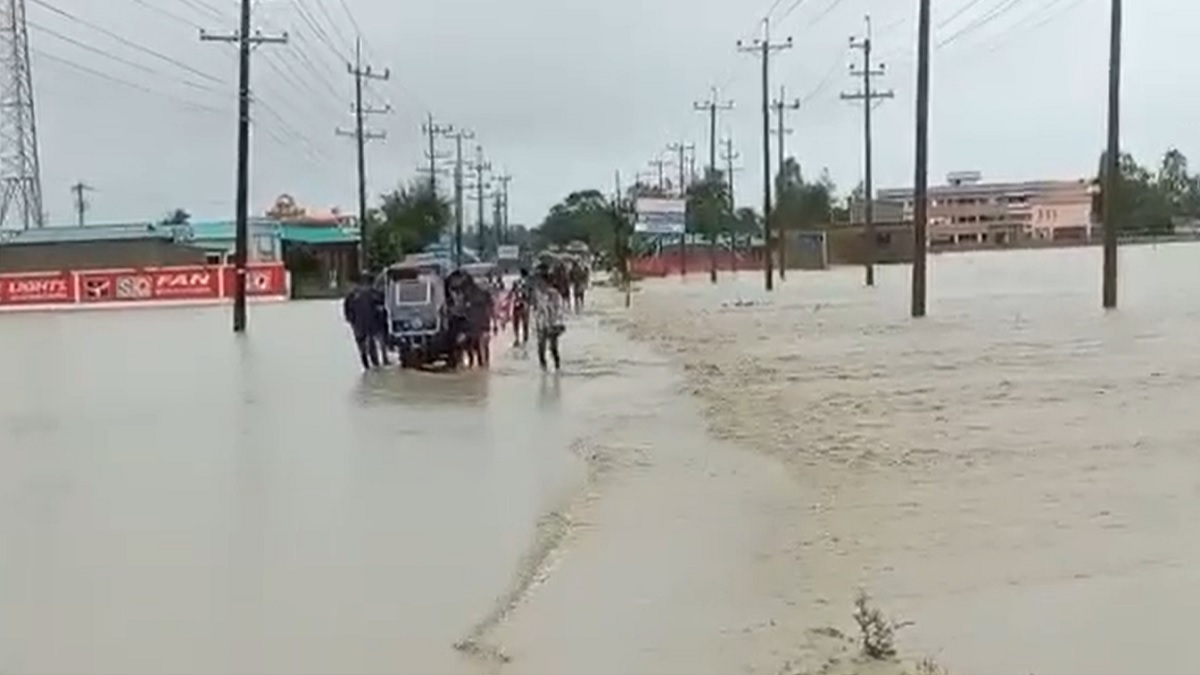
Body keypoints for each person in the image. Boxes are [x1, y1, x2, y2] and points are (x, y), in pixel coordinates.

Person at [342, 273, 383, 370]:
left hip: (358, 326)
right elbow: (380, 305)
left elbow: (347, 311)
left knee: (362, 347)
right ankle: (375, 366)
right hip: (370, 325)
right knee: (371, 347)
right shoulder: (372, 293)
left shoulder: (351, 295)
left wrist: (351, 321)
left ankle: (367, 367)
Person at [532, 264, 565, 371]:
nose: (539, 284)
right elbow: (536, 308)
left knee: (553, 348)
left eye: (540, 281)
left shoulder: (554, 294)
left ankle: (557, 368)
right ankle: (544, 370)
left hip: (552, 324)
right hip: (541, 324)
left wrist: (555, 322)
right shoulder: (537, 293)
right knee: (541, 349)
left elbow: (558, 309)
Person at [510, 267, 532, 347]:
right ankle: (525, 339)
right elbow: (530, 294)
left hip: (517, 304)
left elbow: (512, 292)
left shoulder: (516, 282)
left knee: (516, 323)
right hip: (525, 304)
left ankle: (517, 339)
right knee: (525, 323)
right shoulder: (529, 283)